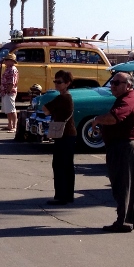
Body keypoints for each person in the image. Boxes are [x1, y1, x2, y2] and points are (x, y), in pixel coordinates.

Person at [91, 71, 134, 232]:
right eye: (112, 83)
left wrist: (98, 120)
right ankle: (131, 218)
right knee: (129, 184)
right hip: (125, 145)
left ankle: (124, 221)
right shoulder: (128, 99)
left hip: (124, 147)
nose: (112, 86)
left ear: (128, 85)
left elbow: (114, 117)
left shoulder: (128, 101)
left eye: (116, 83)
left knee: (123, 185)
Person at [45, 70, 78, 205]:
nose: (56, 84)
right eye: (55, 81)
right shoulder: (66, 97)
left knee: (60, 165)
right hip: (68, 135)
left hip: (64, 134)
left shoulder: (62, 98)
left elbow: (45, 109)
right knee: (67, 165)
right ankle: (67, 195)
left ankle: (61, 196)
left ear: (67, 83)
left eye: (59, 82)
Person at [0, 52, 19, 132]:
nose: (5, 61)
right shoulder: (8, 69)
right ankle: (9, 125)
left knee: (11, 109)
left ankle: (14, 126)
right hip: (5, 91)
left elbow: (12, 82)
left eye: (7, 60)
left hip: (9, 92)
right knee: (7, 109)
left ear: (12, 61)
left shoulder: (12, 70)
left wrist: (8, 90)